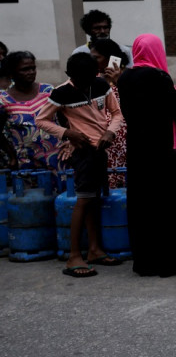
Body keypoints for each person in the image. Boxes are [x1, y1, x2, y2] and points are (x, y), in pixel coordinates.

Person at [117, 34, 176, 278]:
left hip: (139, 152)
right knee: (171, 204)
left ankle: (148, 261)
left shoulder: (125, 78)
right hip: (164, 151)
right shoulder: (159, 77)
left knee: (145, 205)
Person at [36, 53, 125, 277]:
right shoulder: (62, 92)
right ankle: (74, 256)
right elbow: (41, 120)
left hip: (100, 149)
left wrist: (110, 132)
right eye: (79, 79)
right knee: (83, 200)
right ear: (69, 76)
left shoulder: (100, 84)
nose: (84, 83)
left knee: (93, 200)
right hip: (82, 152)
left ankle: (94, 250)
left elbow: (116, 113)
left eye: (88, 78)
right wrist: (67, 133)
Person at [0, 52, 59, 172]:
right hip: (27, 161)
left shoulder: (48, 91)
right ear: (11, 73)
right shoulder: (3, 100)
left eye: (33, 68)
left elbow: (65, 119)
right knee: (34, 191)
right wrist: (11, 156)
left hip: (57, 156)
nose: (31, 72)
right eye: (25, 69)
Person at [90, 38, 130, 189]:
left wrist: (119, 81)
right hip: (103, 143)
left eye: (97, 57)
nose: (92, 61)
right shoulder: (92, 82)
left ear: (110, 58)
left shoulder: (127, 77)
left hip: (125, 142)